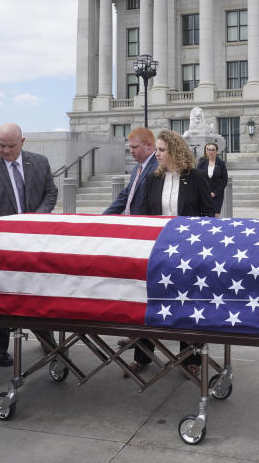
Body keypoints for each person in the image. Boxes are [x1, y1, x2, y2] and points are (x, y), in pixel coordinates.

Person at [0, 123, 59, 366]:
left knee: (39, 292)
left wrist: (36, 219)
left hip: (35, 240)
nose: (4, 150)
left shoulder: (39, 162)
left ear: (22, 142)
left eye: (10, 146)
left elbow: (50, 192)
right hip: (0, 245)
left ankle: (46, 340)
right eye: (0, 145)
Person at [141, 130, 214, 377]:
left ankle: (190, 357)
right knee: (151, 300)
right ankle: (143, 355)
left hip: (187, 252)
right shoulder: (152, 179)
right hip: (158, 251)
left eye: (161, 150)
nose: (157, 154)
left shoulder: (196, 177)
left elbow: (209, 213)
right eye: (157, 150)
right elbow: (143, 215)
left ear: (174, 150)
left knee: (187, 304)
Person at [102, 128, 158, 375]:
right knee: (133, 293)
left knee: (146, 295)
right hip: (132, 237)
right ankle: (136, 335)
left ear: (149, 146)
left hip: (148, 240)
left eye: (135, 147)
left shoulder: (157, 166)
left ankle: (143, 355)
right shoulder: (139, 168)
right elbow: (126, 195)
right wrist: (103, 219)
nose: (131, 151)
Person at [196, 142, 228, 217]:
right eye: (209, 150)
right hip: (204, 195)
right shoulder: (201, 164)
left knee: (215, 216)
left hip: (217, 195)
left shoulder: (221, 164)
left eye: (213, 150)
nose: (211, 152)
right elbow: (197, 180)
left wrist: (215, 193)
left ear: (216, 151)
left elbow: (224, 180)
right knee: (204, 217)